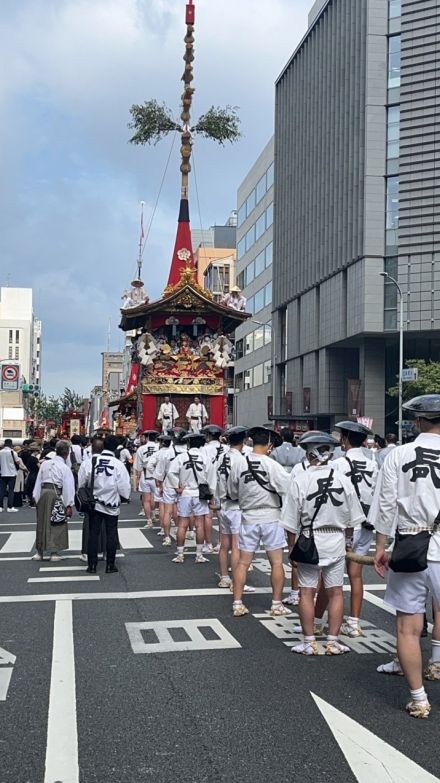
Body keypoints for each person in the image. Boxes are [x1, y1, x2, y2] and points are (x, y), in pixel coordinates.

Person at [374, 394, 440, 719]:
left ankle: (419, 698)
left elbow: (386, 505)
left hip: (411, 546)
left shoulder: (398, 454)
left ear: (417, 422)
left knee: (408, 627)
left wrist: (380, 547)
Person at [281, 432, 364, 655]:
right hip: (336, 539)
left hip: (310, 540)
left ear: (309, 455)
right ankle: (332, 641)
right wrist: (347, 541)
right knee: (336, 591)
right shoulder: (344, 479)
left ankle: (309, 642)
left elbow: (290, 522)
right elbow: (353, 518)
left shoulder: (301, 480)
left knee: (307, 591)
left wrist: (292, 548)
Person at [227, 426, 291, 617]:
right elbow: (286, 489)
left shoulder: (239, 463)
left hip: (248, 516)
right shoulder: (272, 465)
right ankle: (276, 604)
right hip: (271, 516)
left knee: (243, 562)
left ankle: (237, 602)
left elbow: (232, 491)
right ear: (270, 446)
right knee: (277, 562)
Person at [332, 420, 378, 638]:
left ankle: (326, 621)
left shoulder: (338, 464)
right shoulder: (372, 464)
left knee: (331, 575)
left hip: (345, 524)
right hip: (367, 524)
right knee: (356, 574)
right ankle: (354, 622)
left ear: (346, 439)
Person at [79, 435, 131, 574]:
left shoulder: (89, 462)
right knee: (111, 533)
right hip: (112, 502)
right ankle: (110, 565)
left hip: (93, 503)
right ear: (115, 448)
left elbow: (81, 483)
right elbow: (124, 487)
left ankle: (92, 565)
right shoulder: (118, 464)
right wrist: (124, 497)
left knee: (93, 534)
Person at [167, 432, 216, 564]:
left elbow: (171, 472)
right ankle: (199, 554)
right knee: (199, 525)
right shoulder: (205, 458)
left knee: (182, 524)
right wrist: (212, 496)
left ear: (188, 444)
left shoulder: (181, 457)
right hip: (200, 494)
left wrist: (177, 486)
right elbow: (211, 479)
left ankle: (180, 554)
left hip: (185, 493)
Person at [217, 426, 250, 589]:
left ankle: (224, 577)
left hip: (224, 505)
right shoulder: (242, 460)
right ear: (243, 441)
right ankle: (237, 581)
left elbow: (211, 481)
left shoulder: (221, 458)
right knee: (237, 545)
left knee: (224, 544)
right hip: (237, 506)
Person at [32, 440, 75, 561]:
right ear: (66, 453)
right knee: (57, 522)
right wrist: (69, 504)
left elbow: (38, 481)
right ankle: (54, 552)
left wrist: (36, 497)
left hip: (43, 493)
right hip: (57, 494)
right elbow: (68, 487)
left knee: (41, 522)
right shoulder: (64, 468)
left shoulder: (45, 464)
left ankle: (39, 552)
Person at [78, 436, 105, 562]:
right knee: (107, 524)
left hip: (90, 495)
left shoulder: (86, 463)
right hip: (107, 495)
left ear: (91, 449)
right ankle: (105, 551)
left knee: (89, 524)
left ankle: (87, 552)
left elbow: (81, 483)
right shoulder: (111, 462)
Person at [201, 424, 227, 554]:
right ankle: (221, 542)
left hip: (209, 484)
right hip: (224, 484)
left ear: (209, 436)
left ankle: (208, 543)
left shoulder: (204, 449)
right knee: (222, 515)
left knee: (208, 515)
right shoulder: (226, 448)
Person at [134, 430, 159, 526]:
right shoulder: (159, 448)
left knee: (146, 499)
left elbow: (138, 466)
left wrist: (138, 478)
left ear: (147, 437)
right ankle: (153, 514)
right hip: (157, 474)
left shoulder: (141, 449)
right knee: (154, 497)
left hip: (145, 473)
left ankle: (149, 520)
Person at [0, 438, 20, 513]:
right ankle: (10, 507)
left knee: (1, 490)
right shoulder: (13, 452)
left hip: (2, 473)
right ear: (11, 444)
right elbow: (18, 462)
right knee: (11, 490)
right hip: (12, 473)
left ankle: (0, 506)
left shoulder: (0, 452)